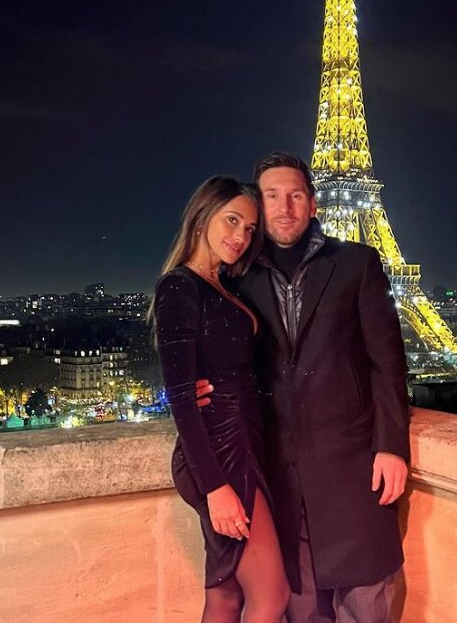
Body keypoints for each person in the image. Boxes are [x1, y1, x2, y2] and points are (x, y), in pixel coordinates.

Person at [201, 153, 410, 622]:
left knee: (367, 603)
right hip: (278, 475)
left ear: (313, 204)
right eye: (272, 196)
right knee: (301, 609)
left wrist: (392, 446)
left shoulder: (357, 263)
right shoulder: (237, 278)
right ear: (260, 204)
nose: (285, 206)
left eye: (295, 195)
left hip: (355, 467)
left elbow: (387, 362)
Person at [153, 176, 290, 623]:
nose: (240, 236)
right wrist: (215, 487)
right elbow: (181, 397)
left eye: (251, 228)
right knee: (271, 597)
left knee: (227, 595)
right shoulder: (180, 287)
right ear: (201, 216)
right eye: (232, 220)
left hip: (242, 445)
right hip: (220, 453)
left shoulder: (224, 286)